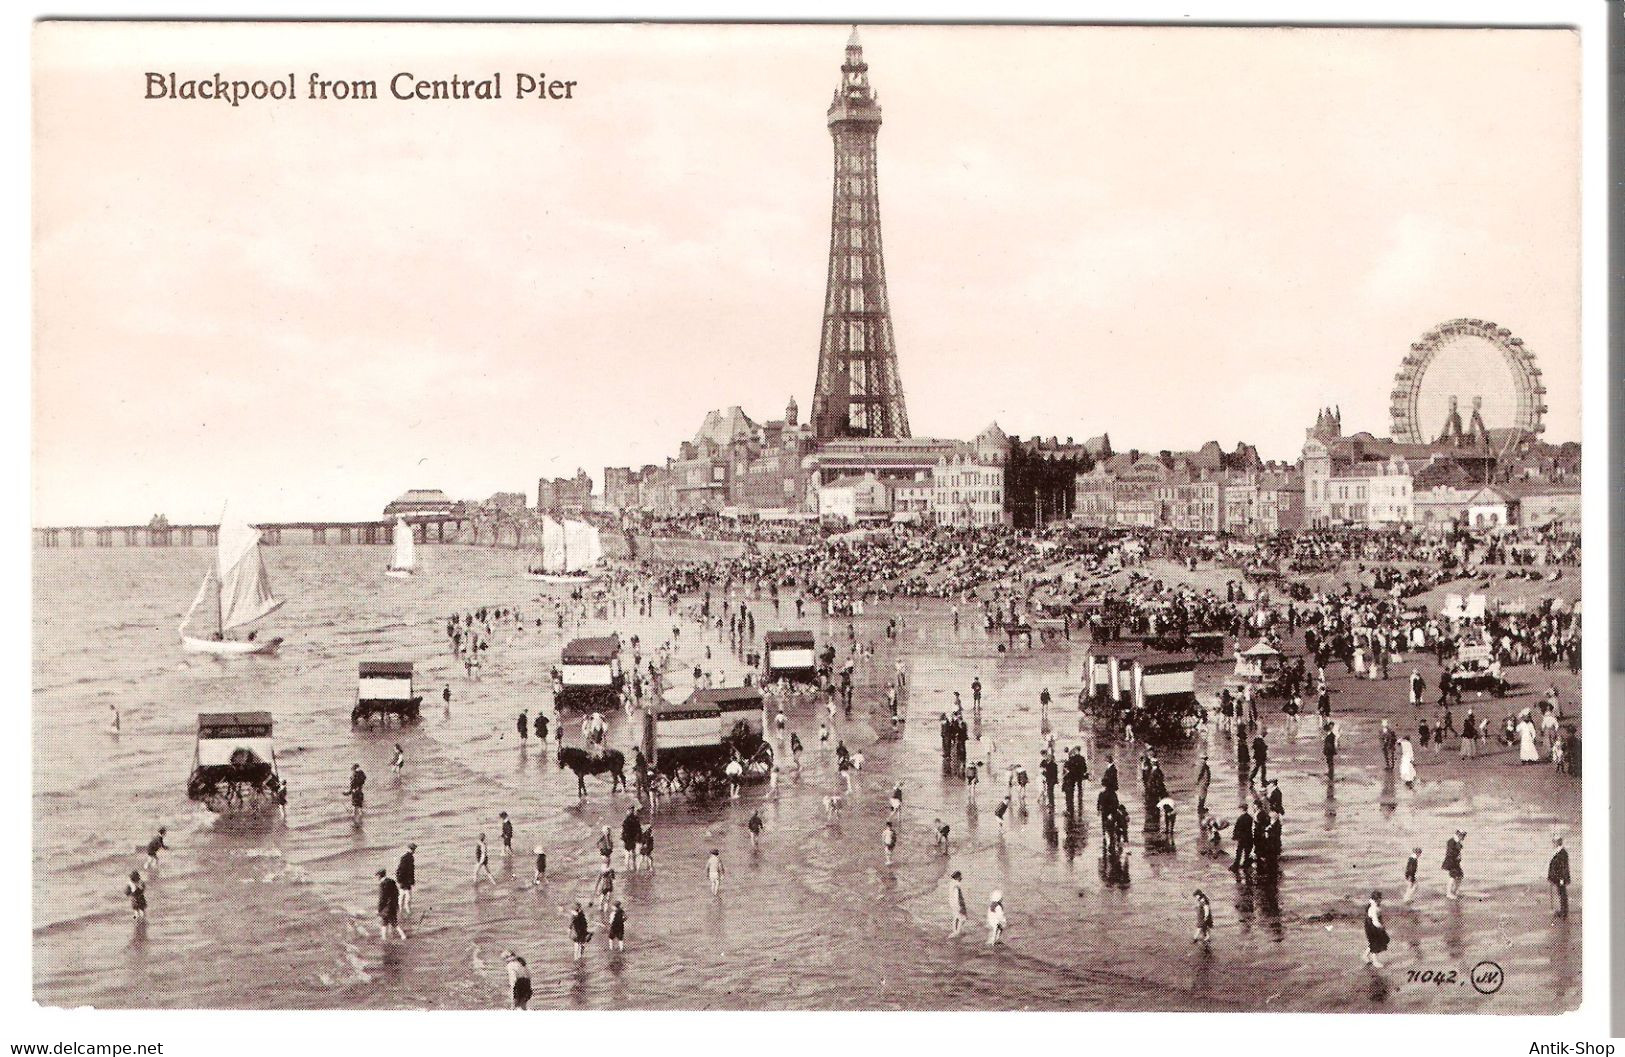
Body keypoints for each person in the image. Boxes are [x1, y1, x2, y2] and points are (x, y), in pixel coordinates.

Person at [376, 868, 406, 940]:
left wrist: (379, 909)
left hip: (386, 907)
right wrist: (396, 905)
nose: (377, 877)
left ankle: (402, 936)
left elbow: (382, 898)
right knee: (387, 921)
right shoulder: (392, 881)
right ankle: (384, 937)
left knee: (391, 922)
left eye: (377, 876)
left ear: (380, 876)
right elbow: (397, 893)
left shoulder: (382, 884)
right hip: (393, 905)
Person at [1362, 891, 1389, 968]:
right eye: (1379, 899)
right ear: (1376, 899)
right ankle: (1375, 961)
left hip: (1374, 926)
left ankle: (1365, 955)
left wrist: (1382, 924)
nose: (1381, 900)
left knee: (1374, 942)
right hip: (1372, 927)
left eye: (1381, 898)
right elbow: (1375, 921)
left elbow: (1380, 918)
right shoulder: (1373, 908)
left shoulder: (1376, 905)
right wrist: (1381, 927)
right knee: (1375, 944)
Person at [1548, 834, 1571, 917]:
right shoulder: (1558, 851)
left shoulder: (1562, 852)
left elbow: (1564, 867)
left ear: (1558, 842)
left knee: (1562, 894)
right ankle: (1563, 911)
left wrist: (1562, 879)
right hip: (1558, 877)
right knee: (1561, 893)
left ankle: (1564, 912)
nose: (1553, 844)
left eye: (1554, 842)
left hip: (1561, 878)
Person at [1442, 830, 1466, 900]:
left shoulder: (1457, 841)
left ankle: (1455, 891)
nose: (1463, 838)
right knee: (1452, 877)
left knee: (1460, 876)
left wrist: (1458, 856)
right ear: (1459, 835)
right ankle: (1449, 893)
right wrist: (1456, 856)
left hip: (1455, 862)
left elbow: (1458, 849)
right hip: (1451, 862)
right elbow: (1450, 853)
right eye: (1463, 836)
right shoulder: (1451, 841)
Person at [396, 843, 417, 915]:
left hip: (403, 880)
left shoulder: (405, 857)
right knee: (408, 898)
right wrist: (412, 881)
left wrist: (399, 879)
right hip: (406, 881)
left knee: (401, 897)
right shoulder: (409, 858)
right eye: (413, 849)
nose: (414, 851)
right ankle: (408, 913)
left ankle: (400, 913)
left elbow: (399, 870)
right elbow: (410, 871)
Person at [948, 870, 968, 937]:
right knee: (963, 918)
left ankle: (955, 931)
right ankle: (957, 932)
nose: (961, 878)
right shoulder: (956, 885)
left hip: (952, 903)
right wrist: (959, 906)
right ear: (957, 877)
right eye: (960, 876)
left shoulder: (952, 883)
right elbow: (956, 897)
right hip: (957, 903)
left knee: (956, 917)